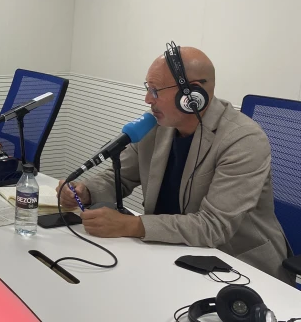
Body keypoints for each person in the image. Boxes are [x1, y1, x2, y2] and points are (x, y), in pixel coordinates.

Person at [57, 43, 292, 283]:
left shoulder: (244, 139)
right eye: (148, 88)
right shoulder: (156, 126)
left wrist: (131, 225)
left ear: (192, 95)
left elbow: (214, 226)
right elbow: (121, 176)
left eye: (156, 90)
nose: (147, 99)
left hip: (239, 269)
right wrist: (86, 191)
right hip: (170, 253)